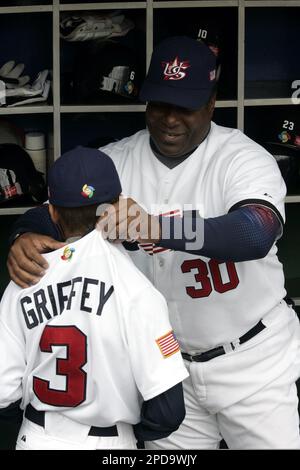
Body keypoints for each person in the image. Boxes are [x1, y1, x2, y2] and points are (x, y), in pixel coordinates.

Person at [7, 36, 300, 449]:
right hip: (165, 371)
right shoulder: (117, 160)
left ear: (212, 104)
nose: (169, 119)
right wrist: (23, 234)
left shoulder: (242, 158)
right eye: (160, 104)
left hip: (251, 362)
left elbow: (256, 232)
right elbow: (54, 210)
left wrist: (157, 228)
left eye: (185, 106)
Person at [0, 146, 188, 450]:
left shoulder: (22, 279)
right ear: (118, 205)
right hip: (108, 443)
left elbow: (3, 395)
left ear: (51, 210)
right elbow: (168, 411)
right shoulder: (137, 290)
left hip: (37, 437)